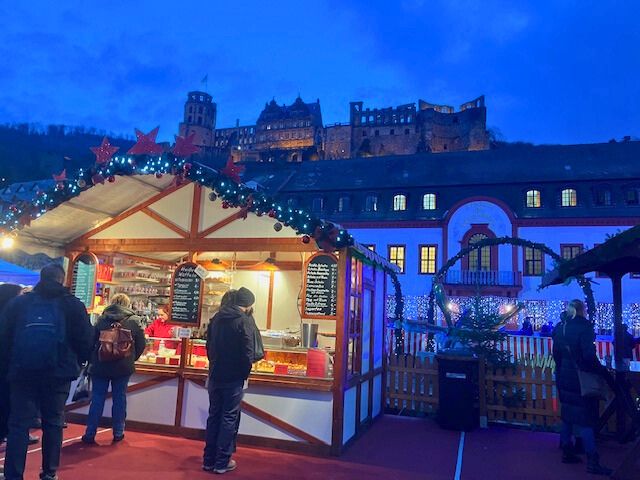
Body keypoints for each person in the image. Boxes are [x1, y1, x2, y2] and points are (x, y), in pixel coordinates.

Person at [0, 264, 94, 480]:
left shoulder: (19, 303)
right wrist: (77, 363)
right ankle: (49, 473)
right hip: (58, 373)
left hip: (22, 372)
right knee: (53, 423)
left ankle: (14, 474)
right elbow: (85, 339)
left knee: (18, 425)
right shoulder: (72, 305)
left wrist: (11, 365)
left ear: (41, 278)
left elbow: (4, 337)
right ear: (62, 279)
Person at [552, 299, 613, 475]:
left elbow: (556, 353)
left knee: (568, 415)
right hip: (580, 378)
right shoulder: (585, 327)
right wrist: (600, 371)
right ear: (582, 310)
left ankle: (567, 451)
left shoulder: (561, 327)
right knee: (586, 419)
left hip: (564, 375)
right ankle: (592, 460)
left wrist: (562, 369)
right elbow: (588, 356)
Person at [203, 287, 256, 474]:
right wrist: (243, 374)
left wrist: (214, 366)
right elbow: (248, 352)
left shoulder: (216, 319)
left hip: (215, 374)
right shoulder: (243, 321)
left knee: (214, 416)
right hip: (233, 377)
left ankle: (208, 460)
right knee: (229, 418)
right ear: (248, 304)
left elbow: (208, 347)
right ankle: (222, 461)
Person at [82, 293, 146, 445]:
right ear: (127, 304)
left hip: (101, 365)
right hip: (123, 366)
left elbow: (91, 342)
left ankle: (90, 433)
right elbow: (141, 344)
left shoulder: (101, 320)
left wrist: (92, 360)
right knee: (120, 398)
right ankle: (118, 432)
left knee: (97, 399)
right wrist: (131, 358)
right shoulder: (134, 321)